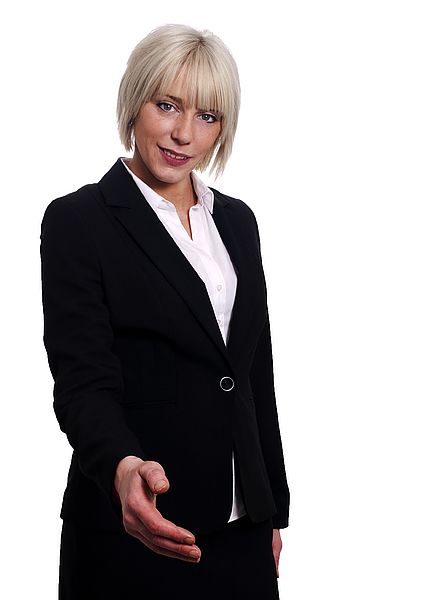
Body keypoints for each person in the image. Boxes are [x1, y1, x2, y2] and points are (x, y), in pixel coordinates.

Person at [40, 24, 289, 599]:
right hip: (133, 530)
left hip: (240, 533)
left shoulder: (237, 221)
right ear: (136, 101)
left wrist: (271, 503)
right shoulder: (79, 222)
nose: (183, 133)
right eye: (168, 105)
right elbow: (82, 382)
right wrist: (122, 466)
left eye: (207, 116)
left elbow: (254, 373)